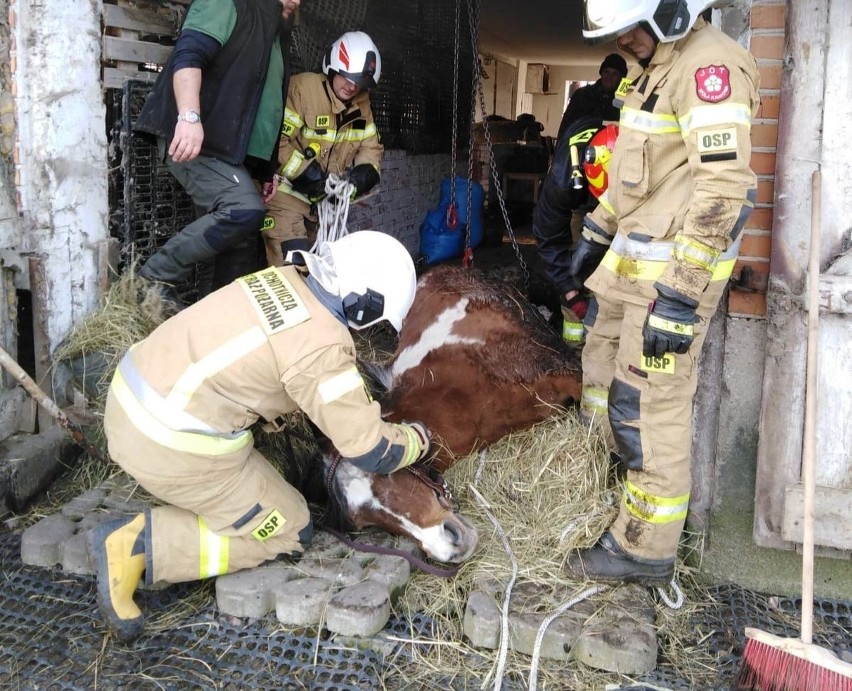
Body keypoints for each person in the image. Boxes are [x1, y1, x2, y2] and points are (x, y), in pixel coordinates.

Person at [88, 230, 432, 642]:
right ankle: (136, 546)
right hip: (169, 440)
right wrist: (417, 439)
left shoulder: (281, 278)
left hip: (132, 397)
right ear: (364, 306)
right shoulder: (321, 349)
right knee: (289, 527)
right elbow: (369, 448)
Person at [563, 0, 760, 585]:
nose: (624, 38)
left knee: (648, 408)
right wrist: (596, 232)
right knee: (599, 375)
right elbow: (635, 171)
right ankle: (606, 493)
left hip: (670, 283)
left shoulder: (710, 68)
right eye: (616, 30)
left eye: (631, 25)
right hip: (629, 272)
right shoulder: (654, 69)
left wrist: (680, 297)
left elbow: (724, 188)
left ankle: (643, 548)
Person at [133, 0, 301, 301]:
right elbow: (189, 55)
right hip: (197, 138)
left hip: (232, 154)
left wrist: (266, 170)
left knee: (233, 250)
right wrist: (189, 117)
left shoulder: (274, 31)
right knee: (244, 209)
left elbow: (265, 106)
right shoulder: (229, 3)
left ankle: (210, 324)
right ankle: (152, 278)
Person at [263, 31, 384, 267]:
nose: (351, 86)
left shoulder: (363, 104)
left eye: (358, 82)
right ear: (332, 67)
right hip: (285, 197)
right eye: (346, 77)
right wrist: (310, 176)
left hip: (322, 207)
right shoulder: (302, 89)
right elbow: (276, 143)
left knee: (319, 274)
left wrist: (361, 177)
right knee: (293, 269)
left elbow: (371, 148)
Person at [555, 52, 627, 144]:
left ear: (621, 78)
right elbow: (567, 125)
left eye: (615, 74)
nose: (609, 77)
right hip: (581, 148)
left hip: (612, 148)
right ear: (601, 73)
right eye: (606, 72)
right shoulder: (582, 95)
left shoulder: (626, 101)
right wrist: (559, 151)